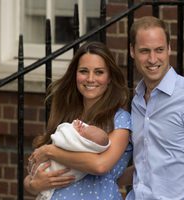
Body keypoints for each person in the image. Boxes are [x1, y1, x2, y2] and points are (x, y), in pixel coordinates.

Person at [24, 41, 132, 200]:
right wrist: (35, 185)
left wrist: (50, 151)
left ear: (109, 78)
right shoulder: (66, 115)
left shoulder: (120, 119)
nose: (90, 78)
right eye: (83, 71)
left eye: (99, 72)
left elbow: (100, 165)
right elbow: (34, 169)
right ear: (75, 75)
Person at [120, 16, 184, 200]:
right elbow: (148, 162)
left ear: (169, 49)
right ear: (132, 51)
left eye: (159, 50)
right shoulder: (137, 101)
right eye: (144, 51)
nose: (152, 59)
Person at [30, 119, 111, 200]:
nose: (82, 126)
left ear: (86, 142)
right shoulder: (90, 148)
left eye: (84, 130)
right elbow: (29, 182)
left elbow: (61, 138)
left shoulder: (78, 145)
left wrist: (73, 128)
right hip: (47, 180)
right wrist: (34, 185)